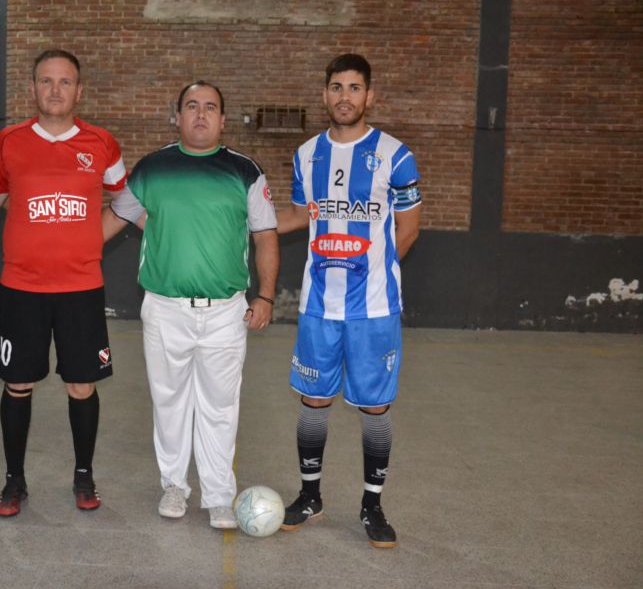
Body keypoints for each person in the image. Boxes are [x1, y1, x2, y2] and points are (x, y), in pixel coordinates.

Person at [103, 81, 280, 529]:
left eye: (211, 108)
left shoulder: (245, 171)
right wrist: (63, 253)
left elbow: (265, 236)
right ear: (177, 115)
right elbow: (118, 215)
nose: (201, 115)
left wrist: (264, 295)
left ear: (223, 119)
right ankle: (175, 487)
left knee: (221, 406)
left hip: (225, 311)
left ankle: (220, 496)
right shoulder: (152, 169)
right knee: (170, 402)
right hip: (165, 309)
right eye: (192, 107)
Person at [275, 54, 422, 548]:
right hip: (320, 306)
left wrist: (378, 270)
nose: (344, 97)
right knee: (314, 400)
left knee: (374, 409)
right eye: (336, 87)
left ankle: (371, 505)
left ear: (369, 96)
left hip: (374, 310)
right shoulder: (306, 154)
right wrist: (248, 221)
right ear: (324, 95)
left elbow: (410, 227)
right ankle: (310, 495)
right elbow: (300, 214)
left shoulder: (396, 155)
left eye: (354, 88)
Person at [0, 49, 128, 517]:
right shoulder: (8, 141)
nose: (55, 90)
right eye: (46, 81)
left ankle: (83, 476)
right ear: (32, 89)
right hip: (22, 287)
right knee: (17, 383)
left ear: (78, 91)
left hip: (81, 287)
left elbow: (126, 202)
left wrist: (92, 237)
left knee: (81, 385)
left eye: (64, 82)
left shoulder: (101, 143)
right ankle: (14, 482)